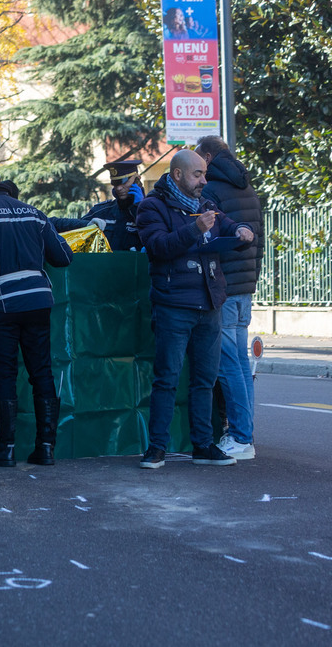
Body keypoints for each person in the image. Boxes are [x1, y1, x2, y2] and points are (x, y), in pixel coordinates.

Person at [134, 150, 255, 469]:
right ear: (177, 175)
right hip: (173, 304)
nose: (204, 180)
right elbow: (158, 248)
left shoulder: (206, 205)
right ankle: (156, 448)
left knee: (204, 379)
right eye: (198, 175)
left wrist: (243, 232)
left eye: (204, 174)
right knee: (167, 378)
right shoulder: (151, 207)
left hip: (210, 304)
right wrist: (194, 229)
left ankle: (202, 445)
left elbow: (230, 227)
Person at [0, 166, 74, 466]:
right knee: (42, 372)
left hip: (1, 305)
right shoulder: (34, 213)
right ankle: (45, 448)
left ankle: (4, 450)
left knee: (5, 375)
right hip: (39, 302)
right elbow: (63, 256)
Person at [197, 135, 264, 460]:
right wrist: (252, 279)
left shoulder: (211, 190)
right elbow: (259, 241)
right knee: (239, 363)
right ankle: (244, 433)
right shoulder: (247, 186)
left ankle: (240, 437)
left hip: (223, 286)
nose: (199, 172)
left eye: (199, 164)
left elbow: (208, 237)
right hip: (244, 287)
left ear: (208, 157)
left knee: (229, 365)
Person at [79, 160, 145, 252]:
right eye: (115, 183)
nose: (119, 188)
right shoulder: (102, 211)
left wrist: (140, 208)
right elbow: (77, 231)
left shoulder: (154, 209)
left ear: (137, 179)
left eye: (123, 182)